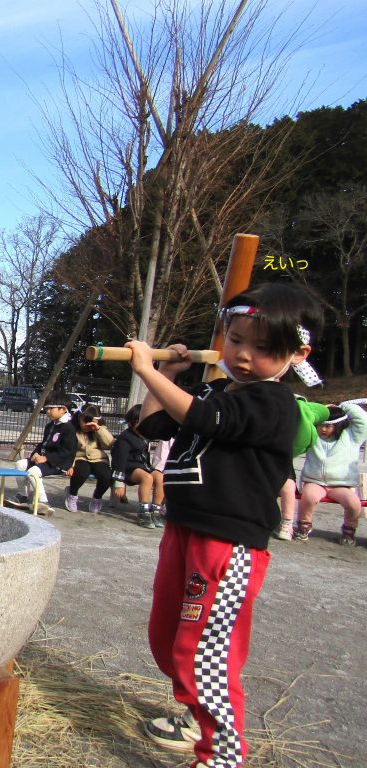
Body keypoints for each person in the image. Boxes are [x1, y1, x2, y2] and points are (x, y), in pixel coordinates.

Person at [127, 282, 320, 768]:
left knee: (204, 652)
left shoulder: (273, 403)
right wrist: (166, 373)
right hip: (184, 527)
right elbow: (153, 426)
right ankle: (197, 717)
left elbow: (205, 418)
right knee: (167, 638)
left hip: (226, 544)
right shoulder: (215, 389)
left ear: (297, 354)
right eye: (236, 340)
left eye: (264, 348)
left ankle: (222, 755)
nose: (244, 356)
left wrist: (146, 369)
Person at [293, 399, 367, 545]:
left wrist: (343, 406)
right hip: (314, 481)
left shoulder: (351, 437)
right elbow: (302, 418)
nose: (323, 429)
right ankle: (304, 526)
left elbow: (363, 421)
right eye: (321, 425)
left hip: (340, 485)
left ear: (338, 425)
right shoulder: (312, 435)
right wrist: (320, 409)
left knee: (354, 504)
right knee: (309, 497)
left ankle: (349, 531)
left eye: (328, 426)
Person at [8, 392, 77, 516]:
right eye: (47, 409)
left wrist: (47, 458)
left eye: (51, 408)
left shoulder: (68, 428)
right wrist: (35, 454)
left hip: (59, 463)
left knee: (33, 472)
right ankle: (23, 496)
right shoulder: (50, 426)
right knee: (20, 464)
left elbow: (68, 452)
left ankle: (44, 502)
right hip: (45, 461)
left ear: (63, 409)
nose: (48, 411)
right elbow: (43, 444)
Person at [273, 396, 331, 541]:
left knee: (288, 487)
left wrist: (300, 404)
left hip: (282, 462)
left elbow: (322, 411)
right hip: (258, 460)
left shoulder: (299, 422)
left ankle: (287, 523)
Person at [111, 404, 166, 528]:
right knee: (147, 478)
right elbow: (120, 461)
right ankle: (143, 512)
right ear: (131, 423)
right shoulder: (125, 438)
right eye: (140, 422)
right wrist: (119, 483)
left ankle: (156, 510)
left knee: (160, 477)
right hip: (127, 468)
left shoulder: (144, 436)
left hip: (142, 466)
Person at [64, 404, 114, 514]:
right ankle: (72, 494)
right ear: (79, 417)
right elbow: (68, 449)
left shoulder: (99, 428)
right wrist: (70, 465)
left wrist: (98, 429)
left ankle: (97, 497)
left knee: (106, 475)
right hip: (79, 457)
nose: (87, 424)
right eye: (85, 420)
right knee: (82, 472)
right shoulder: (71, 429)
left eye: (90, 421)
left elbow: (109, 444)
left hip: (98, 458)